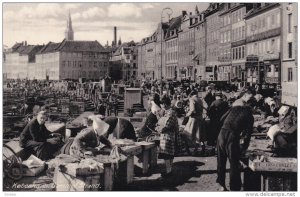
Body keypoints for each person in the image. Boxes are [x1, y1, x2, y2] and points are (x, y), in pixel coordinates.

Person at [216, 106, 254, 191]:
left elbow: (221, 119)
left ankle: (221, 185)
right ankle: (234, 189)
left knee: (221, 161)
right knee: (234, 163)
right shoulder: (250, 116)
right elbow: (248, 135)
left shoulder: (234, 108)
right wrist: (244, 148)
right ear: (253, 108)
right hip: (232, 136)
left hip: (221, 134)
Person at [156, 96, 179, 177]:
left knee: (167, 155)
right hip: (169, 135)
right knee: (170, 154)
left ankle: (168, 171)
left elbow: (166, 125)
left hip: (167, 136)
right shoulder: (169, 112)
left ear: (165, 104)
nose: (162, 106)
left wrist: (158, 129)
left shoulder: (170, 113)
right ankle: (169, 170)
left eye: (162, 104)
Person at [184, 90, 205, 155]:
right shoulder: (200, 99)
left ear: (190, 94)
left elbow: (192, 110)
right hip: (200, 118)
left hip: (193, 119)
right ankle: (201, 149)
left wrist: (187, 114)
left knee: (187, 134)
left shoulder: (192, 99)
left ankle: (189, 150)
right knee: (198, 135)